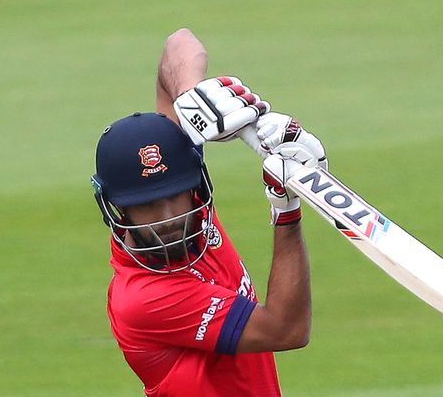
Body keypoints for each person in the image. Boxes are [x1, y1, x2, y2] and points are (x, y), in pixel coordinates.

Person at [92, 29, 327, 397]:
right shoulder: (143, 299)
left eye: (175, 196)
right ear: (118, 210)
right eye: (147, 206)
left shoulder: (193, 214)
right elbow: (286, 330)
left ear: (194, 187)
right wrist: (286, 209)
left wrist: (191, 96)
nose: (168, 216)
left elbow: (179, 44)